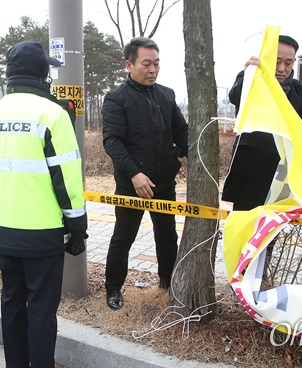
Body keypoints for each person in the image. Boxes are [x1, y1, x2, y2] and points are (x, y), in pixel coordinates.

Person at [0, 40, 87, 368]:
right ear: (42, 73)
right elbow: (67, 180)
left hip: (5, 229)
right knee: (41, 308)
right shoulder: (52, 114)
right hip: (43, 231)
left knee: (11, 302)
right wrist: (77, 228)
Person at [102, 37, 188, 310]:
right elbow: (112, 142)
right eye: (146, 64)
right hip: (132, 185)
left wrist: (192, 154)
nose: (153, 69)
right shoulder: (116, 99)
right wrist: (135, 175)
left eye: (157, 63)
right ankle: (113, 288)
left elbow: (181, 132)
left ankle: (167, 284)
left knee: (167, 237)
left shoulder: (167, 95)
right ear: (129, 65)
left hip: (164, 183)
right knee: (123, 238)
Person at [222, 35, 302, 211]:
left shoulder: (298, 90)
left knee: (273, 226)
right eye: (277, 61)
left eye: (288, 63)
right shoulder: (250, 80)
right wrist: (248, 73)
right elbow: (235, 97)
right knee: (244, 226)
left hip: (281, 171)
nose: (282, 69)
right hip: (250, 169)